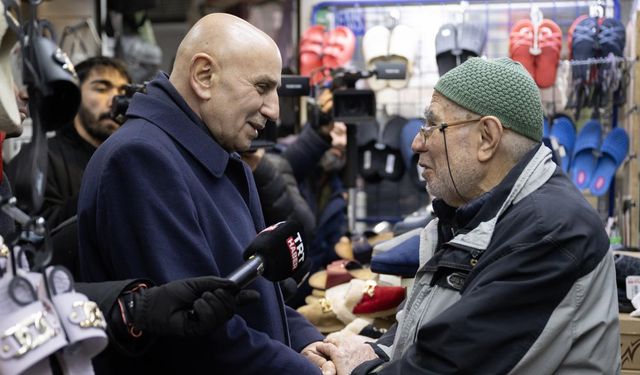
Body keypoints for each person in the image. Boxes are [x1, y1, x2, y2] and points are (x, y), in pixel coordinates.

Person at [313, 57, 620, 374]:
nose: (418, 142)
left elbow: (450, 365)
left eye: (433, 126)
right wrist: (375, 352)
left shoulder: (549, 231)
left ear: (487, 137)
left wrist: (359, 368)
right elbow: (432, 331)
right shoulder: (479, 217)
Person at [77, 13, 332, 375]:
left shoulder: (214, 155)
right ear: (204, 76)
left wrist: (307, 340)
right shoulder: (142, 159)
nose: (274, 110)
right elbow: (197, 337)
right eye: (262, 88)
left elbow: (252, 298)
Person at [7, 56, 131, 230]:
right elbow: (33, 232)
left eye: (123, 93)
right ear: (75, 96)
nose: (116, 100)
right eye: (102, 89)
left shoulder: (125, 160)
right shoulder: (40, 160)